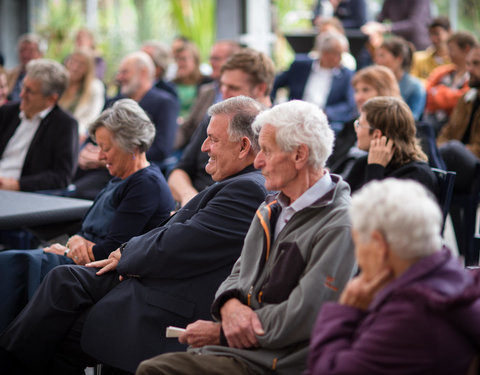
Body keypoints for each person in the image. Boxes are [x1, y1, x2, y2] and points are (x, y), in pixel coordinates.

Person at [0, 96, 268, 374]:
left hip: (165, 297)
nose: (203, 147)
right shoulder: (240, 185)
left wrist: (125, 251)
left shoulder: (246, 189)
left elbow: (175, 244)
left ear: (243, 146)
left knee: (52, 307)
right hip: (145, 275)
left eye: (212, 139)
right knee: (60, 279)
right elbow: (173, 232)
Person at [136, 99, 357, 375]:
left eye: (266, 150)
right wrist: (229, 307)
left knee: (155, 370)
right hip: (239, 351)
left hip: (278, 363)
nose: (258, 160)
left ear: (299, 155)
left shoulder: (340, 224)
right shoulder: (272, 207)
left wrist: (221, 333)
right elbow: (237, 276)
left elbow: (305, 315)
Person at [0, 99, 175, 332]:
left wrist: (68, 248)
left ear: (132, 146)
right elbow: (84, 232)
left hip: (96, 275)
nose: (100, 156)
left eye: (106, 148)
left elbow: (111, 249)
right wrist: (73, 242)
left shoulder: (145, 185)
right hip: (77, 261)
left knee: (10, 262)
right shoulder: (120, 177)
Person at [305, 178, 480, 375]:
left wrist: (344, 311)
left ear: (379, 245)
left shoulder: (411, 318)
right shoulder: (448, 275)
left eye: (357, 243)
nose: (357, 257)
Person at [168, 47, 275, 207]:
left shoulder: (276, 131)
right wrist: (190, 198)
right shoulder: (215, 120)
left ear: (260, 88)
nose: (223, 95)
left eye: (233, 88)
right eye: (222, 86)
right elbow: (179, 170)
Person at [72, 51, 179, 199]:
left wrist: (109, 157)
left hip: (130, 176)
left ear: (143, 72)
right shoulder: (115, 101)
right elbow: (94, 136)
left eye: (124, 72)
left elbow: (161, 150)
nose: (119, 77)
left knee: (77, 193)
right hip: (96, 169)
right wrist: (84, 153)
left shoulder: (165, 102)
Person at [0, 58, 78, 191]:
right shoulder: (7, 112)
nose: (21, 94)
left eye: (29, 91)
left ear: (51, 99)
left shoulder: (64, 125)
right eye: (23, 86)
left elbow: (61, 176)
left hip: (22, 195)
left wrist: (19, 185)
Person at [345, 96, 437, 194]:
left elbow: (374, 207)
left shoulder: (416, 175)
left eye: (359, 124)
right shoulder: (364, 162)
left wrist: (375, 169)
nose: (356, 129)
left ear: (377, 134)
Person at [271, 31, 356, 129]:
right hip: (295, 120)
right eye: (337, 54)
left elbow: (349, 104)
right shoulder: (300, 66)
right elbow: (274, 83)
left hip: (326, 124)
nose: (341, 58)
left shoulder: (346, 74)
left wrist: (326, 112)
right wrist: (272, 104)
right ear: (324, 53)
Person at [327, 65, 401, 175]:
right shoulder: (350, 126)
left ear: (385, 92)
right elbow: (330, 163)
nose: (358, 97)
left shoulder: (409, 131)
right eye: (356, 91)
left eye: (366, 90)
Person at [173, 40, 241, 151]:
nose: (211, 62)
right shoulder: (207, 91)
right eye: (210, 58)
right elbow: (188, 127)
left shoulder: (242, 95)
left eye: (216, 59)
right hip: (195, 153)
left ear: (233, 62)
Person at [437, 45, 480, 193]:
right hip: (456, 162)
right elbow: (446, 132)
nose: (469, 69)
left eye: (476, 63)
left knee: (453, 150)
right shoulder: (465, 99)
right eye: (468, 63)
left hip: (474, 164)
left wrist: (458, 150)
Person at [424, 31, 478, 135]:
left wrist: (439, 93)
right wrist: (449, 96)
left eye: (451, 49)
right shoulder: (442, 72)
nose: (448, 53)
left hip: (453, 126)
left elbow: (463, 100)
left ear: (466, 49)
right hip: (433, 121)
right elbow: (427, 94)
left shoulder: (473, 78)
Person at [58, 48, 105, 142]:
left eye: (81, 64)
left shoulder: (95, 87)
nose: (75, 67)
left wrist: (79, 131)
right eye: (73, 61)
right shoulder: (60, 82)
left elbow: (91, 118)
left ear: (88, 68)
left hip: (76, 136)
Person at [374, 36, 426, 120]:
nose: (377, 60)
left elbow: (413, 117)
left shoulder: (415, 86)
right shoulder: (375, 83)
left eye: (382, 56)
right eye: (377, 56)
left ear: (399, 58)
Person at [361, 0, 432, 51]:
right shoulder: (391, 2)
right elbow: (380, 18)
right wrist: (373, 30)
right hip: (400, 47)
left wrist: (383, 28)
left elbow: (414, 24)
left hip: (419, 47)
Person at [173, 41, 212, 120]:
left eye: (183, 59)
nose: (179, 63)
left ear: (195, 60)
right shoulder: (170, 84)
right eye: (177, 59)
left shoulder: (208, 84)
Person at [410, 16, 451, 83]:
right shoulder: (418, 58)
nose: (433, 39)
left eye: (437, 34)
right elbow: (412, 82)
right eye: (430, 35)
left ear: (449, 32)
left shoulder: (455, 61)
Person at [6, 33, 45, 101]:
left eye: (30, 51)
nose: (25, 55)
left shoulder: (47, 75)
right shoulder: (11, 75)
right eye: (22, 50)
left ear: (41, 54)